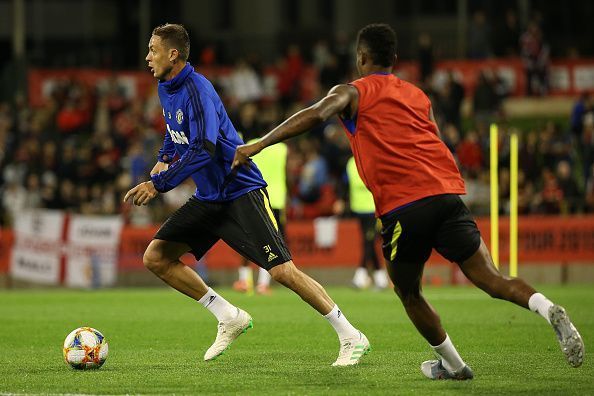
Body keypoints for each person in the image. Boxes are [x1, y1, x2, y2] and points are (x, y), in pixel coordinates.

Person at [233, 23, 584, 379]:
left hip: (405, 204)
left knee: (408, 290)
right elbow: (435, 139)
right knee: (492, 278)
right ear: (395, 59)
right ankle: (547, 306)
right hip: (446, 194)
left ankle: (454, 364)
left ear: (361, 57)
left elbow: (317, 113)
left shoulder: (353, 92)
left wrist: (259, 143)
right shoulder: (418, 95)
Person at [123, 23, 369, 366]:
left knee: (282, 272)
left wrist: (159, 184)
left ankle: (350, 334)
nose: (148, 56)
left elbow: (205, 148)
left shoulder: (198, 89)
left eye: (153, 49)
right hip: (210, 198)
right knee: (156, 257)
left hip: (241, 191)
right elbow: (175, 132)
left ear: (173, 54)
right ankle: (228, 316)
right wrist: (163, 159)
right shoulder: (166, 86)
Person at [233, 135, 288, 295]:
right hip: (277, 200)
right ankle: (263, 284)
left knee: (249, 238)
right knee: (273, 242)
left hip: (255, 197)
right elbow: (287, 175)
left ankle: (244, 280)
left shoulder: (249, 145)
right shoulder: (281, 148)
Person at [336, 156, 388, 290]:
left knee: (368, 241)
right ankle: (381, 278)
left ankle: (360, 276)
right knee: (368, 242)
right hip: (359, 209)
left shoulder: (372, 160)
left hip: (374, 210)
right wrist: (341, 199)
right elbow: (345, 183)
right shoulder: (351, 162)